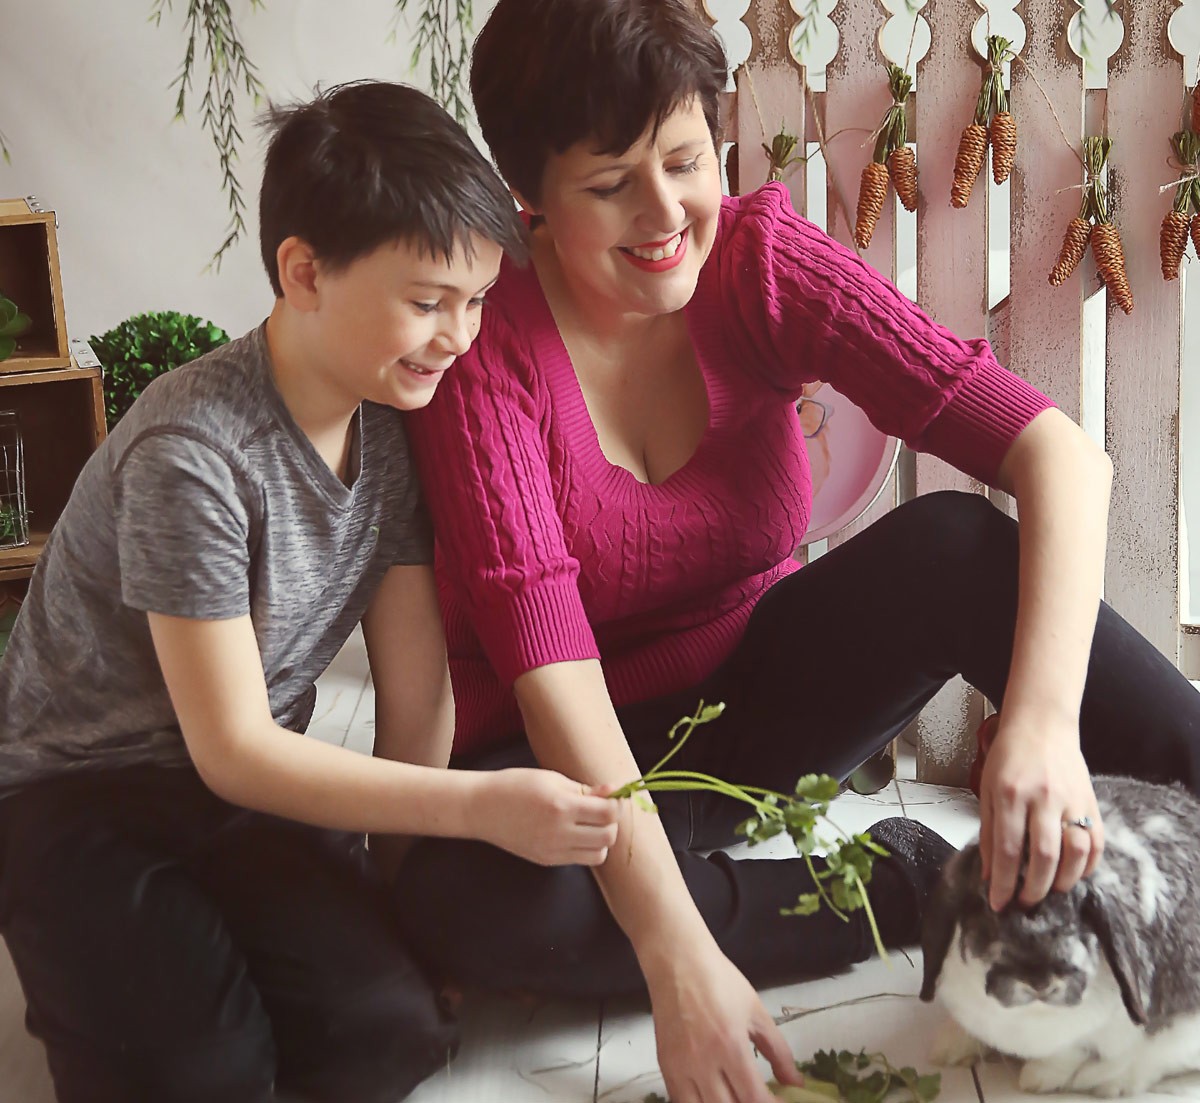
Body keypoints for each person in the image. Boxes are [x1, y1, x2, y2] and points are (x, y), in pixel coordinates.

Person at [395, 3, 1200, 1102]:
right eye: (610, 184)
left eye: (685, 160)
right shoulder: (483, 344)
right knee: (472, 903)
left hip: (760, 701)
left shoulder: (762, 256)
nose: (667, 211)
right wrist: (682, 960)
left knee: (956, 542)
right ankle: (907, 885)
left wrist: (1045, 724)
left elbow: (1058, 456)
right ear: (527, 192)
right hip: (566, 747)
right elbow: (555, 684)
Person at [0, 81, 622, 1103]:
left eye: (474, 301)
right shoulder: (191, 449)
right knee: (196, 1073)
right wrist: (481, 808)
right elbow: (232, 745)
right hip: (79, 793)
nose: (458, 337)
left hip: (237, 794)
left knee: (394, 1030)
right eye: (428, 301)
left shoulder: (395, 424)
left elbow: (416, 695)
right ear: (304, 271)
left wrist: (392, 888)